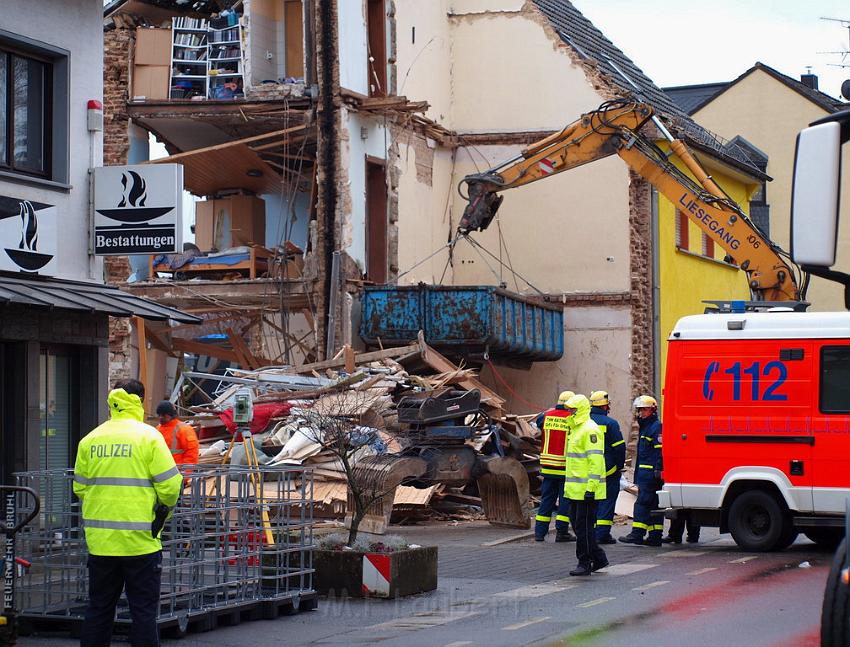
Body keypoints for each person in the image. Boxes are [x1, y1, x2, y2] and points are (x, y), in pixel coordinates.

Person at [73, 379, 183, 647]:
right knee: (143, 613)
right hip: (140, 542)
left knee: (98, 609)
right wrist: (161, 514)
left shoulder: (90, 440)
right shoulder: (149, 437)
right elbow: (170, 486)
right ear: (141, 401)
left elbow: (80, 488)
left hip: (102, 544)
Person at [562, 394, 608, 576]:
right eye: (569, 409)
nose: (570, 413)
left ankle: (585, 561)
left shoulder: (590, 430)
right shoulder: (576, 429)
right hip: (576, 490)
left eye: (573, 409)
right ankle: (598, 557)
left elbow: (596, 461)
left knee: (584, 527)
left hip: (587, 490)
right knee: (578, 524)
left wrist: (591, 487)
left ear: (580, 410)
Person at [619, 395, 665, 547]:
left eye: (644, 410)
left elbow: (660, 451)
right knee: (653, 504)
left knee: (643, 503)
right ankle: (654, 536)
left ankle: (637, 534)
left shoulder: (655, 427)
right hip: (646, 473)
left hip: (650, 474)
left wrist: (658, 469)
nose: (641, 414)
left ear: (652, 410)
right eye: (639, 411)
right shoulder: (646, 427)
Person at [534, 391, 576, 542]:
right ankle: (562, 532)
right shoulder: (572, 418)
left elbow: (538, 423)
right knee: (565, 501)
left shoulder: (546, 416)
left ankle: (539, 533)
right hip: (565, 466)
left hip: (548, 466)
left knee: (546, 500)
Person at [589, 390, 626, 545]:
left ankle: (590, 533)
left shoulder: (585, 422)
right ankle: (602, 534)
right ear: (604, 406)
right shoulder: (610, 423)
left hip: (589, 470)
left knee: (592, 502)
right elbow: (619, 448)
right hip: (608, 470)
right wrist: (619, 467)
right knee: (607, 501)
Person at [156, 400, 200, 471]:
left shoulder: (184, 430)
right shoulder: (158, 429)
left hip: (177, 473)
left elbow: (191, 454)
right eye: (159, 415)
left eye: (163, 415)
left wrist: (185, 475)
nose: (160, 417)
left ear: (171, 415)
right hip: (160, 473)